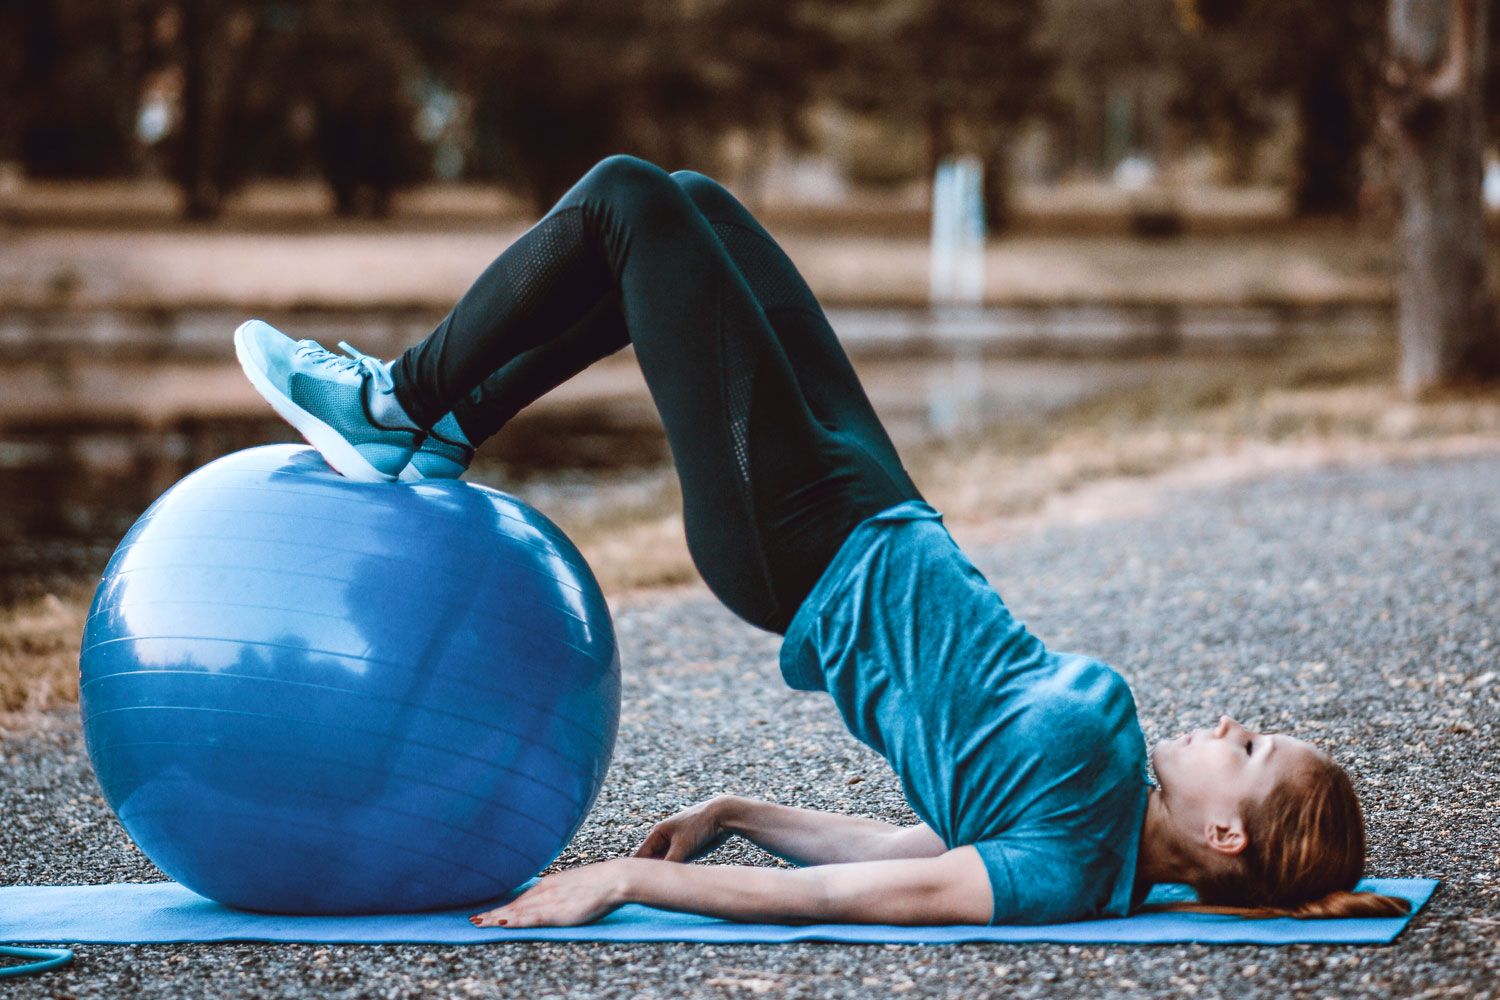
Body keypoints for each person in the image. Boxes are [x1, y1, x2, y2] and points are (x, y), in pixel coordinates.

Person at [232, 154, 1410, 929]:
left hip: (802, 546)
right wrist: (739, 807)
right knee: (701, 204)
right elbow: (902, 832)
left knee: (628, 201)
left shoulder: (1067, 869)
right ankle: (438, 437)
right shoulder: (1100, 801)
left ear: (1224, 831)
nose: (1224, 725)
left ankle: (394, 403)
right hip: (878, 498)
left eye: (1248, 747)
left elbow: (872, 889)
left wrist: (639, 879)